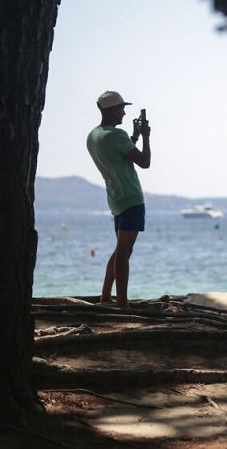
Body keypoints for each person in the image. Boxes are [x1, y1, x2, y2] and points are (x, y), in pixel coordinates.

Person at [86, 90, 151, 308]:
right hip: (131, 198)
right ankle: (122, 303)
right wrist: (146, 137)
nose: (124, 113)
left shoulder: (94, 136)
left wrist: (133, 136)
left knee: (121, 250)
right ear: (112, 109)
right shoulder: (116, 135)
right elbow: (144, 162)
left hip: (115, 199)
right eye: (122, 108)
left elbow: (118, 153)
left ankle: (105, 297)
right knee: (124, 252)